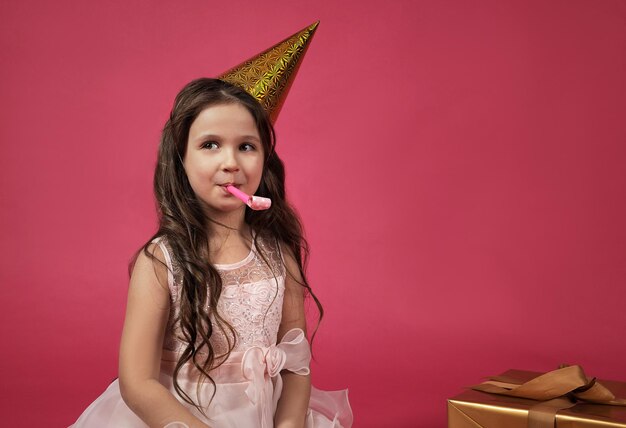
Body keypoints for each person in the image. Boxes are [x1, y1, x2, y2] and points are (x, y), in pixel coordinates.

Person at [70, 78, 352, 428]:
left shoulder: (280, 256)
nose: (231, 162)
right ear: (180, 159)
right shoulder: (161, 262)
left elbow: (295, 361)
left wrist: (289, 424)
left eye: (246, 146)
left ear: (265, 158)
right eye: (211, 145)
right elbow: (137, 382)